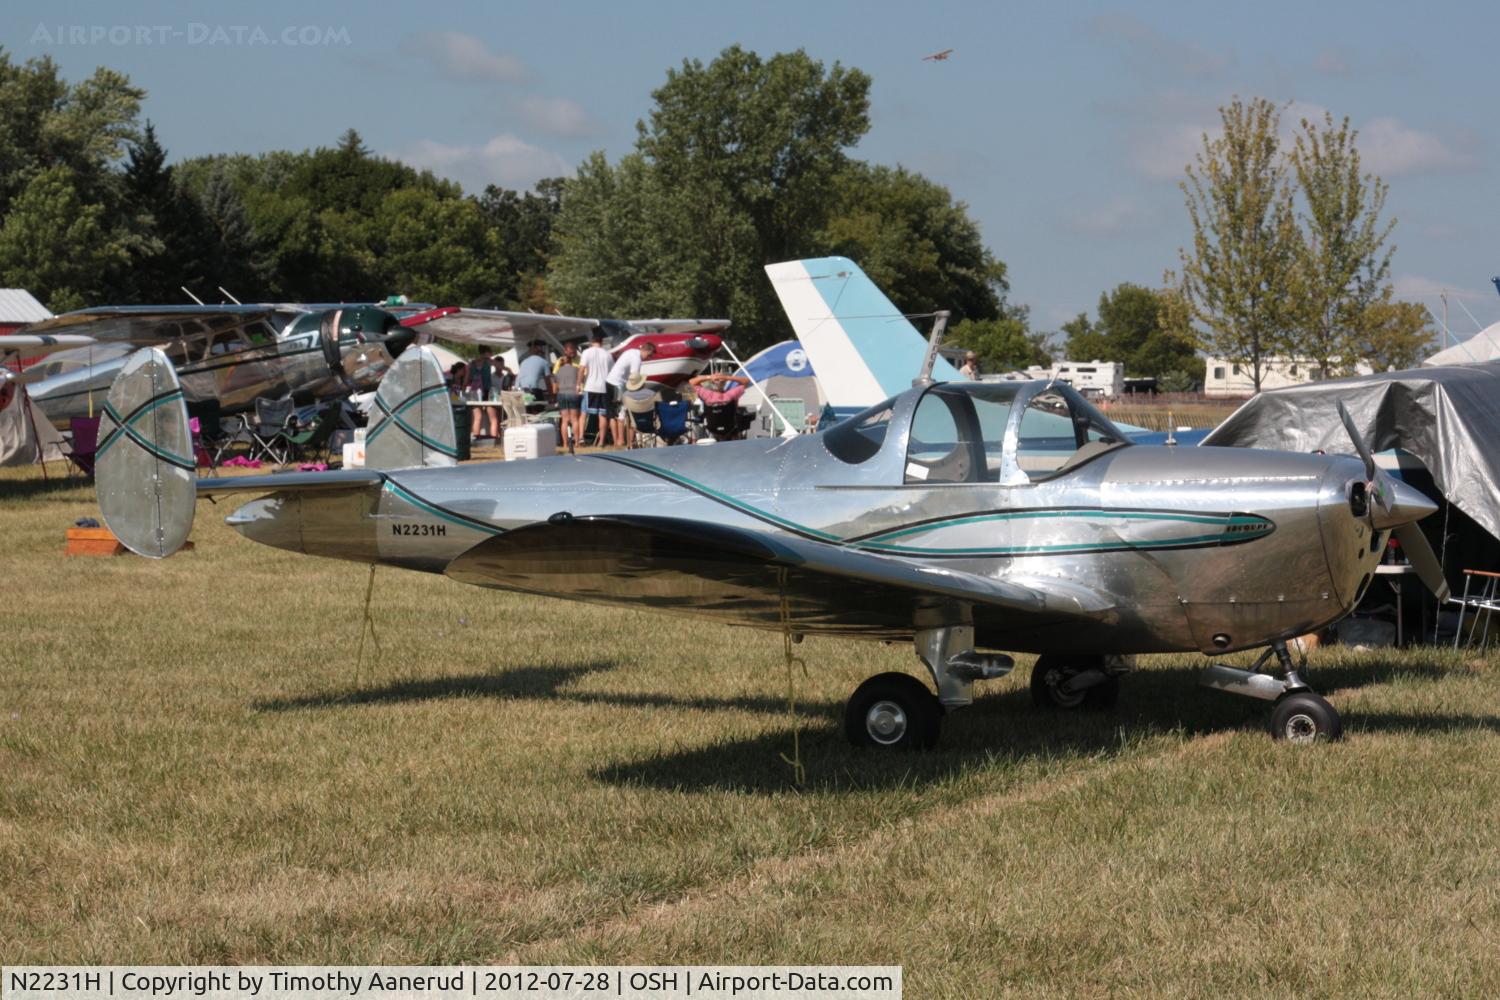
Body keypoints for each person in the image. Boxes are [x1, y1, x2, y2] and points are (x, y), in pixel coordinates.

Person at [605, 341, 656, 447]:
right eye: (649, 355)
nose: (648, 358)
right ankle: (624, 441)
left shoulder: (632, 351)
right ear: (646, 350)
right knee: (623, 413)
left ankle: (617, 441)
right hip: (617, 384)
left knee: (613, 414)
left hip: (610, 381)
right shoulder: (637, 359)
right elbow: (634, 379)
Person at [579, 330, 615, 448]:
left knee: (584, 413)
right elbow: (611, 372)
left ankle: (580, 438)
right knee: (602, 415)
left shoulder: (587, 352)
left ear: (591, 342)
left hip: (590, 386)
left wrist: (578, 383)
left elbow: (582, 368)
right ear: (602, 342)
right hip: (604, 388)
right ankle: (601, 442)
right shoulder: (608, 354)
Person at [551, 342, 584, 453]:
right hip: (573, 393)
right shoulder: (576, 369)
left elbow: (554, 386)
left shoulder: (558, 371)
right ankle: (577, 442)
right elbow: (581, 379)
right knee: (574, 419)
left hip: (561, 394)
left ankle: (565, 443)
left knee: (564, 420)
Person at [619, 371, 662, 448]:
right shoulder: (652, 394)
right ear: (642, 383)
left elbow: (625, 411)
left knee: (626, 415)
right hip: (652, 424)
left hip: (636, 424)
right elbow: (661, 406)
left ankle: (630, 443)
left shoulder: (625, 396)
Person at [470, 346, 499, 440]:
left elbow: (467, 378)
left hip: (474, 391)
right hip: (487, 391)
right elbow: (499, 367)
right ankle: (494, 440)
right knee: (493, 418)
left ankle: (476, 440)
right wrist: (509, 371)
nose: (491, 355)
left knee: (477, 417)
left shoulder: (472, 363)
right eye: (490, 353)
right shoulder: (489, 362)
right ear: (487, 352)